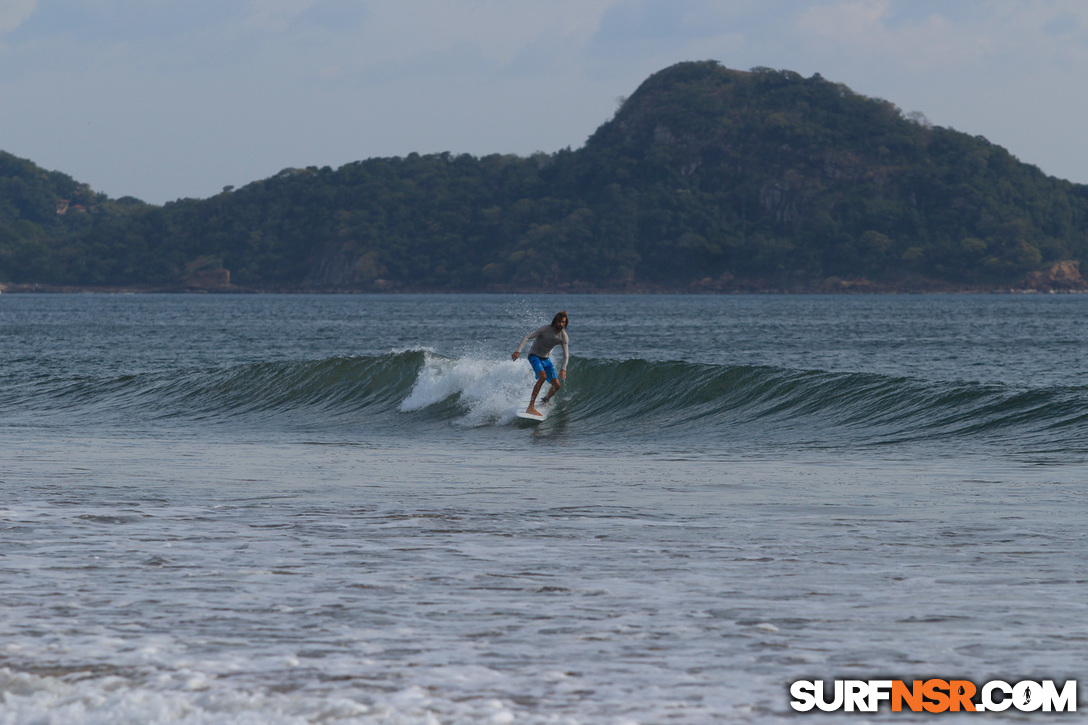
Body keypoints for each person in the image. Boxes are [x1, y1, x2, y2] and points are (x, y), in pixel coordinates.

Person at [512, 311, 569, 416]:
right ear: (555, 321)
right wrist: (518, 351)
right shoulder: (545, 329)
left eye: (563, 322)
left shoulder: (563, 336)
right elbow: (526, 338)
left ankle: (545, 400)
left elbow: (566, 355)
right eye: (560, 321)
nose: (561, 324)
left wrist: (563, 368)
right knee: (542, 376)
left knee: (557, 385)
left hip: (546, 359)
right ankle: (531, 407)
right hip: (534, 355)